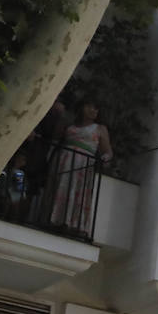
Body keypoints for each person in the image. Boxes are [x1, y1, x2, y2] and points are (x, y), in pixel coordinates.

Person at [47, 99, 112, 235]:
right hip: (64, 161)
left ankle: (72, 224)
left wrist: (104, 159)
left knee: (76, 191)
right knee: (61, 188)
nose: (93, 110)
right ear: (82, 107)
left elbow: (108, 152)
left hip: (83, 165)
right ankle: (54, 220)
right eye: (90, 106)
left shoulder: (100, 128)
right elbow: (56, 139)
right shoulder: (70, 125)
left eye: (96, 108)